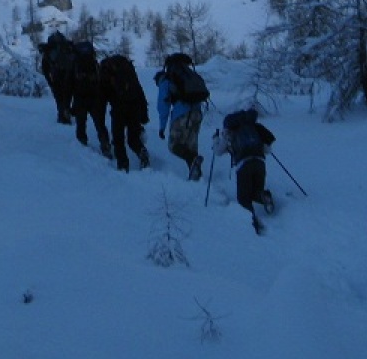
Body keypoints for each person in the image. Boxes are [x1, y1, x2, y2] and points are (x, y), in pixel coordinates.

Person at [214, 107, 277, 233]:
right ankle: (263, 196)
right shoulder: (254, 128)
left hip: (244, 165)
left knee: (243, 198)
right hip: (260, 163)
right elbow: (268, 150)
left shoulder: (229, 132)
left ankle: (252, 224)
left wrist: (216, 140)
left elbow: (218, 151)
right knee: (255, 192)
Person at [154, 52, 209, 180]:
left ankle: (193, 163)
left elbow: (164, 104)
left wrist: (162, 127)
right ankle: (196, 175)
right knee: (191, 146)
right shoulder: (189, 74)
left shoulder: (167, 79)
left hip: (181, 114)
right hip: (197, 114)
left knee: (174, 146)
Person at [98, 54, 151, 171]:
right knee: (133, 138)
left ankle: (123, 166)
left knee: (118, 139)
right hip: (135, 106)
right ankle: (141, 151)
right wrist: (144, 112)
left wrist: (100, 117)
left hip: (118, 109)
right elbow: (139, 90)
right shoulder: (128, 71)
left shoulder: (105, 73)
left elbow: (102, 98)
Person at [68, 39, 112, 159]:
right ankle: (105, 145)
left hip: (80, 97)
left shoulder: (74, 64)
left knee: (81, 123)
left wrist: (70, 105)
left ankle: (82, 143)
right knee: (100, 124)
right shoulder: (94, 63)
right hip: (95, 96)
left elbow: (70, 84)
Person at [37, 31, 76, 125]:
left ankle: (62, 115)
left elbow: (45, 69)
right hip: (69, 75)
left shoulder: (48, 51)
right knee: (67, 96)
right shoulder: (68, 48)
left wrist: (50, 82)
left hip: (56, 77)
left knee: (59, 98)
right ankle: (66, 113)